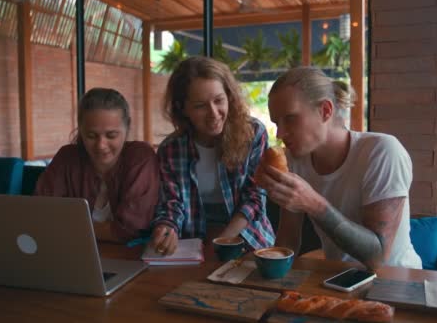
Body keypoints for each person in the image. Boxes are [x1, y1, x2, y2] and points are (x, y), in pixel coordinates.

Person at [258, 67, 422, 270]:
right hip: (336, 279)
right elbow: (288, 241)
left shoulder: (382, 151)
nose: (280, 133)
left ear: (325, 111)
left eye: (290, 119)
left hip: (395, 281)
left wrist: (313, 203)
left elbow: (378, 257)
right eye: (276, 123)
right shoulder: (295, 160)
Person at [150, 56, 275, 255]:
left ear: (230, 97)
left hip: (249, 240)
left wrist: (223, 241)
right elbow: (171, 204)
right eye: (200, 106)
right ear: (183, 108)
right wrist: (166, 228)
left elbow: (255, 196)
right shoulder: (171, 149)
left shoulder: (253, 134)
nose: (214, 113)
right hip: (192, 245)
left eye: (219, 101)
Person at [35, 88, 159, 243]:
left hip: (129, 258)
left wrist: (70, 227)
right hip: (74, 255)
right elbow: (42, 213)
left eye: (111, 135)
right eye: (91, 136)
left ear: (127, 129)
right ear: (80, 130)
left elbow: (131, 228)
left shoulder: (140, 156)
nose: (101, 145)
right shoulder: (67, 157)